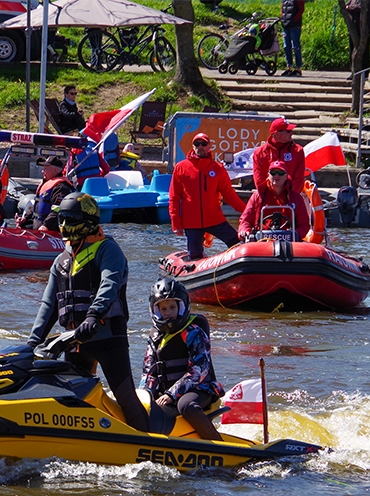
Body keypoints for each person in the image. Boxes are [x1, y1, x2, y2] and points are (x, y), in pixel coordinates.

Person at [27, 192, 149, 432]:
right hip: (73, 342)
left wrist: (93, 315)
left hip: (108, 338)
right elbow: (49, 305)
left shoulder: (108, 249)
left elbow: (109, 285)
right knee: (73, 399)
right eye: (62, 218)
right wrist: (32, 342)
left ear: (89, 220)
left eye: (70, 219)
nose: (64, 225)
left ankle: (151, 444)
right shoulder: (61, 261)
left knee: (124, 396)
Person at [140, 278, 225, 441]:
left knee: (186, 406)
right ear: (155, 310)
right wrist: (145, 396)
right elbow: (148, 373)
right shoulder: (154, 337)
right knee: (140, 406)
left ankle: (217, 444)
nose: (168, 312)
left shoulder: (194, 332)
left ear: (182, 306)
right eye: (163, 308)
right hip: (167, 392)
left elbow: (198, 371)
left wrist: (172, 394)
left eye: (172, 307)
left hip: (199, 389)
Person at [169, 133, 247, 259]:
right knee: (194, 257)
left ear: (209, 146)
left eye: (204, 144)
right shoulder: (181, 167)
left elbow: (229, 194)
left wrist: (246, 210)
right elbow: (174, 197)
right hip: (191, 222)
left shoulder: (218, 168)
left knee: (237, 244)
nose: (200, 147)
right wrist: (176, 222)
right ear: (193, 146)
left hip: (215, 219)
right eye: (197, 144)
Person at [239, 160, 310, 241]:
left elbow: (304, 225)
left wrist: (294, 234)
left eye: (280, 173)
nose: (276, 175)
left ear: (286, 176)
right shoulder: (257, 196)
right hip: (260, 242)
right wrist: (245, 231)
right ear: (268, 175)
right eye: (273, 172)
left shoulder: (296, 198)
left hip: (289, 242)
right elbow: (245, 220)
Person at [252, 117, 305, 196]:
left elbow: (299, 179)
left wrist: (288, 196)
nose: (292, 133)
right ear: (277, 134)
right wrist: (271, 197)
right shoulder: (259, 153)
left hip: (291, 199)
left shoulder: (298, 151)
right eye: (288, 131)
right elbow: (259, 180)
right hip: (267, 198)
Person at [21, 155, 74, 231]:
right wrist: (25, 218)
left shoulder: (61, 187)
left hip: (50, 228)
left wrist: (46, 226)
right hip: (37, 224)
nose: (42, 171)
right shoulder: (45, 183)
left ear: (55, 170)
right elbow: (36, 204)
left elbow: (57, 210)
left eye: (45, 169)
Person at [281, 0, 305, 77]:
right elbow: (282, 9)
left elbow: (301, 9)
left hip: (295, 26)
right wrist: (282, 18)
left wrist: (294, 19)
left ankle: (298, 69)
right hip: (286, 26)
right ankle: (289, 67)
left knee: (295, 47)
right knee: (286, 47)